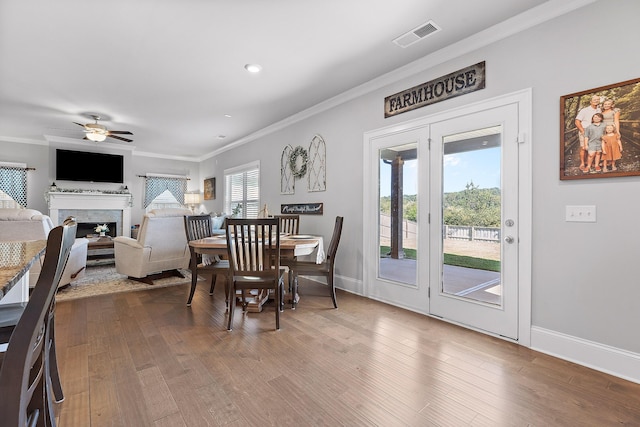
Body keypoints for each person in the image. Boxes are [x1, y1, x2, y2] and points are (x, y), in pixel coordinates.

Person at [575, 95, 601, 172]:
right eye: (594, 99)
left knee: (594, 148)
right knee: (583, 147)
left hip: (595, 131)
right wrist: (582, 130)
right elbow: (577, 121)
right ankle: (582, 163)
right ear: (590, 101)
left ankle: (592, 163)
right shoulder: (584, 110)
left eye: (598, 99)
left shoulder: (599, 110)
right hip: (585, 130)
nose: (596, 101)